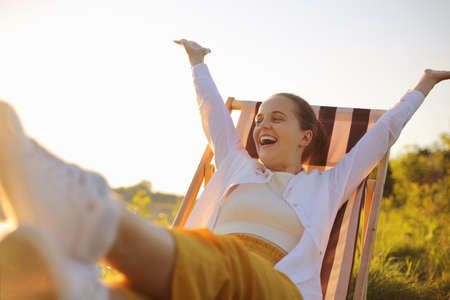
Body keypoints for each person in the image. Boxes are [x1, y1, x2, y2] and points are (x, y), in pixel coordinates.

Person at [0, 39, 449, 300]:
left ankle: (87, 214)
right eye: (258, 119)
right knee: (142, 289)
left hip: (278, 290)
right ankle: (69, 287)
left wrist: (424, 85)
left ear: (305, 136)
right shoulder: (236, 165)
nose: (260, 125)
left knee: (223, 260)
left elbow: (383, 133)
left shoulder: (330, 183)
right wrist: (198, 62)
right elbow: (213, 112)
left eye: (276, 117)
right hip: (201, 275)